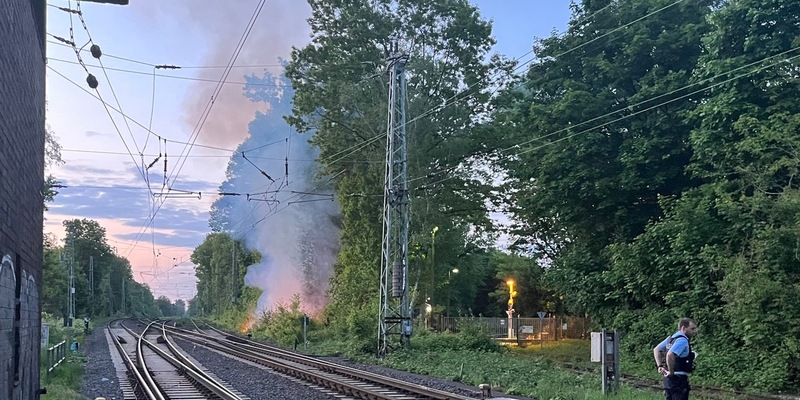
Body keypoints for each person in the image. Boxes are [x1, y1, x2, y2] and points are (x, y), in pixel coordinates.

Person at [653, 318, 698, 400]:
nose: (694, 331)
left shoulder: (671, 339)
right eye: (692, 329)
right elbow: (670, 355)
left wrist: (660, 366)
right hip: (678, 379)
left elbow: (656, 349)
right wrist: (671, 372)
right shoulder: (682, 340)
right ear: (683, 328)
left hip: (668, 380)